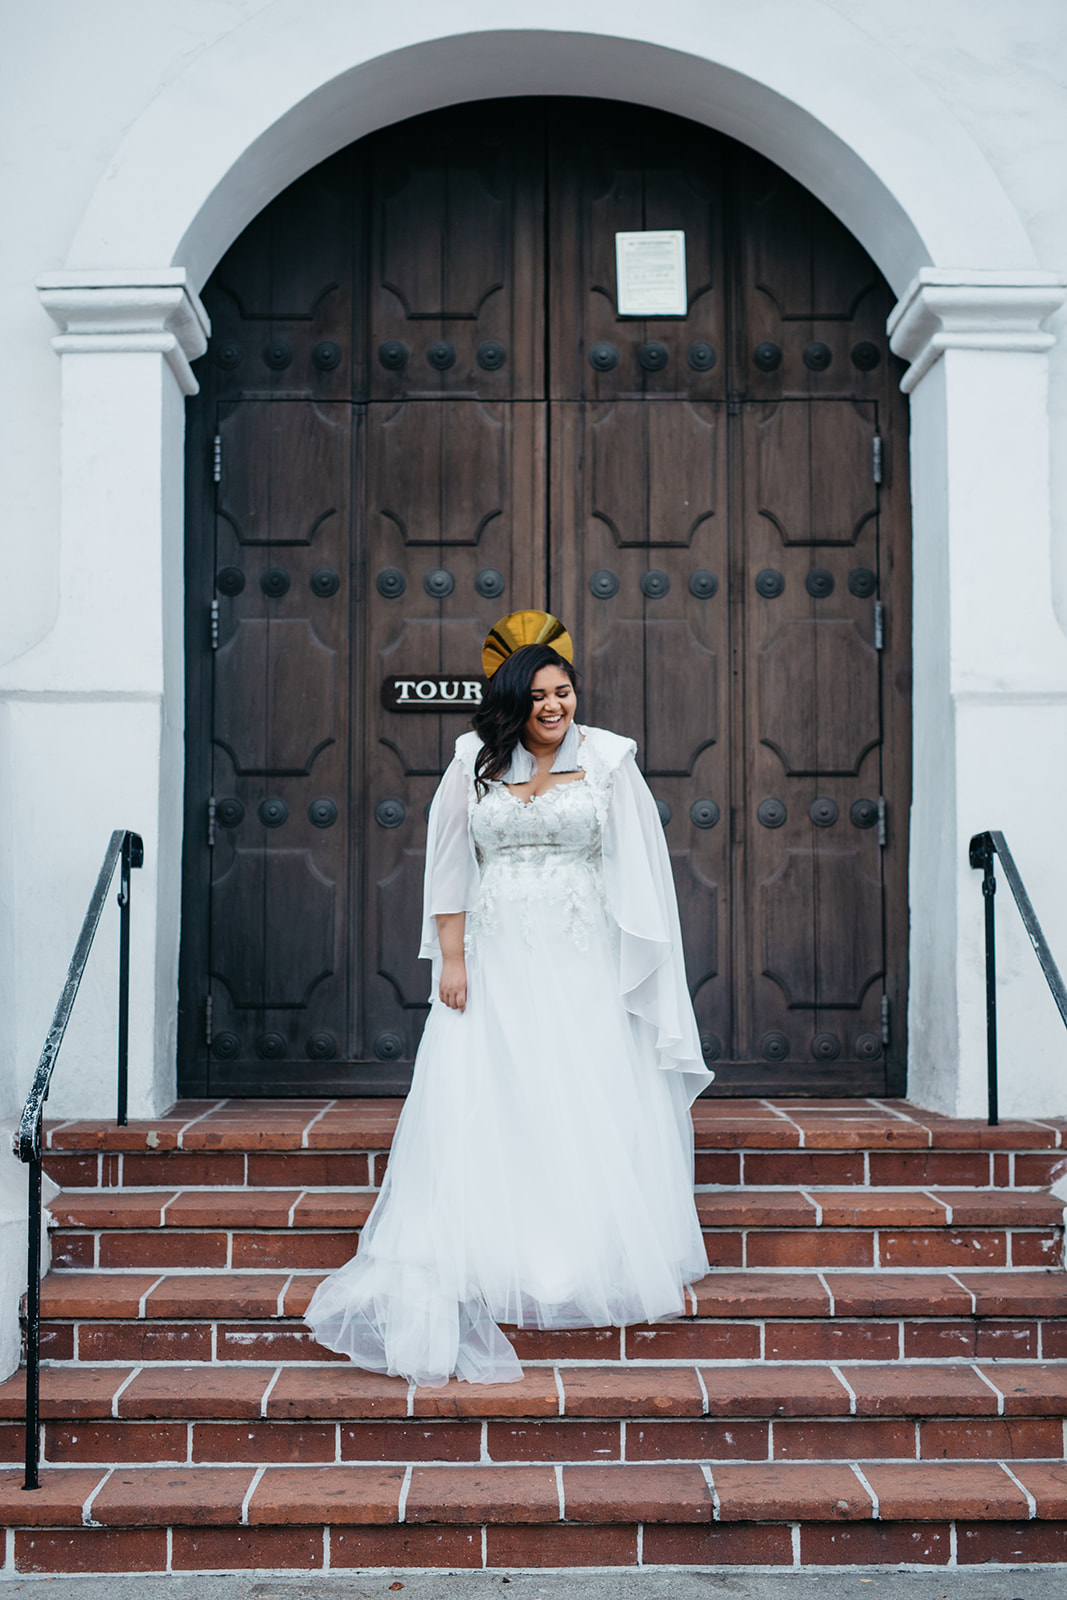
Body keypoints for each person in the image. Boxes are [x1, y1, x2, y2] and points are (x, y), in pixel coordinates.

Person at [305, 611, 714, 1386]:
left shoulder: (610, 760)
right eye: (538, 696)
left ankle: (580, 1249)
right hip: (494, 957)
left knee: (576, 1089)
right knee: (493, 1092)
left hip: (581, 954)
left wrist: (635, 962)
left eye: (563, 691)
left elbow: (635, 868)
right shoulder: (473, 760)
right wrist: (450, 959)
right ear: (513, 703)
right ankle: (492, 1243)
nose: (554, 706)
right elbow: (451, 865)